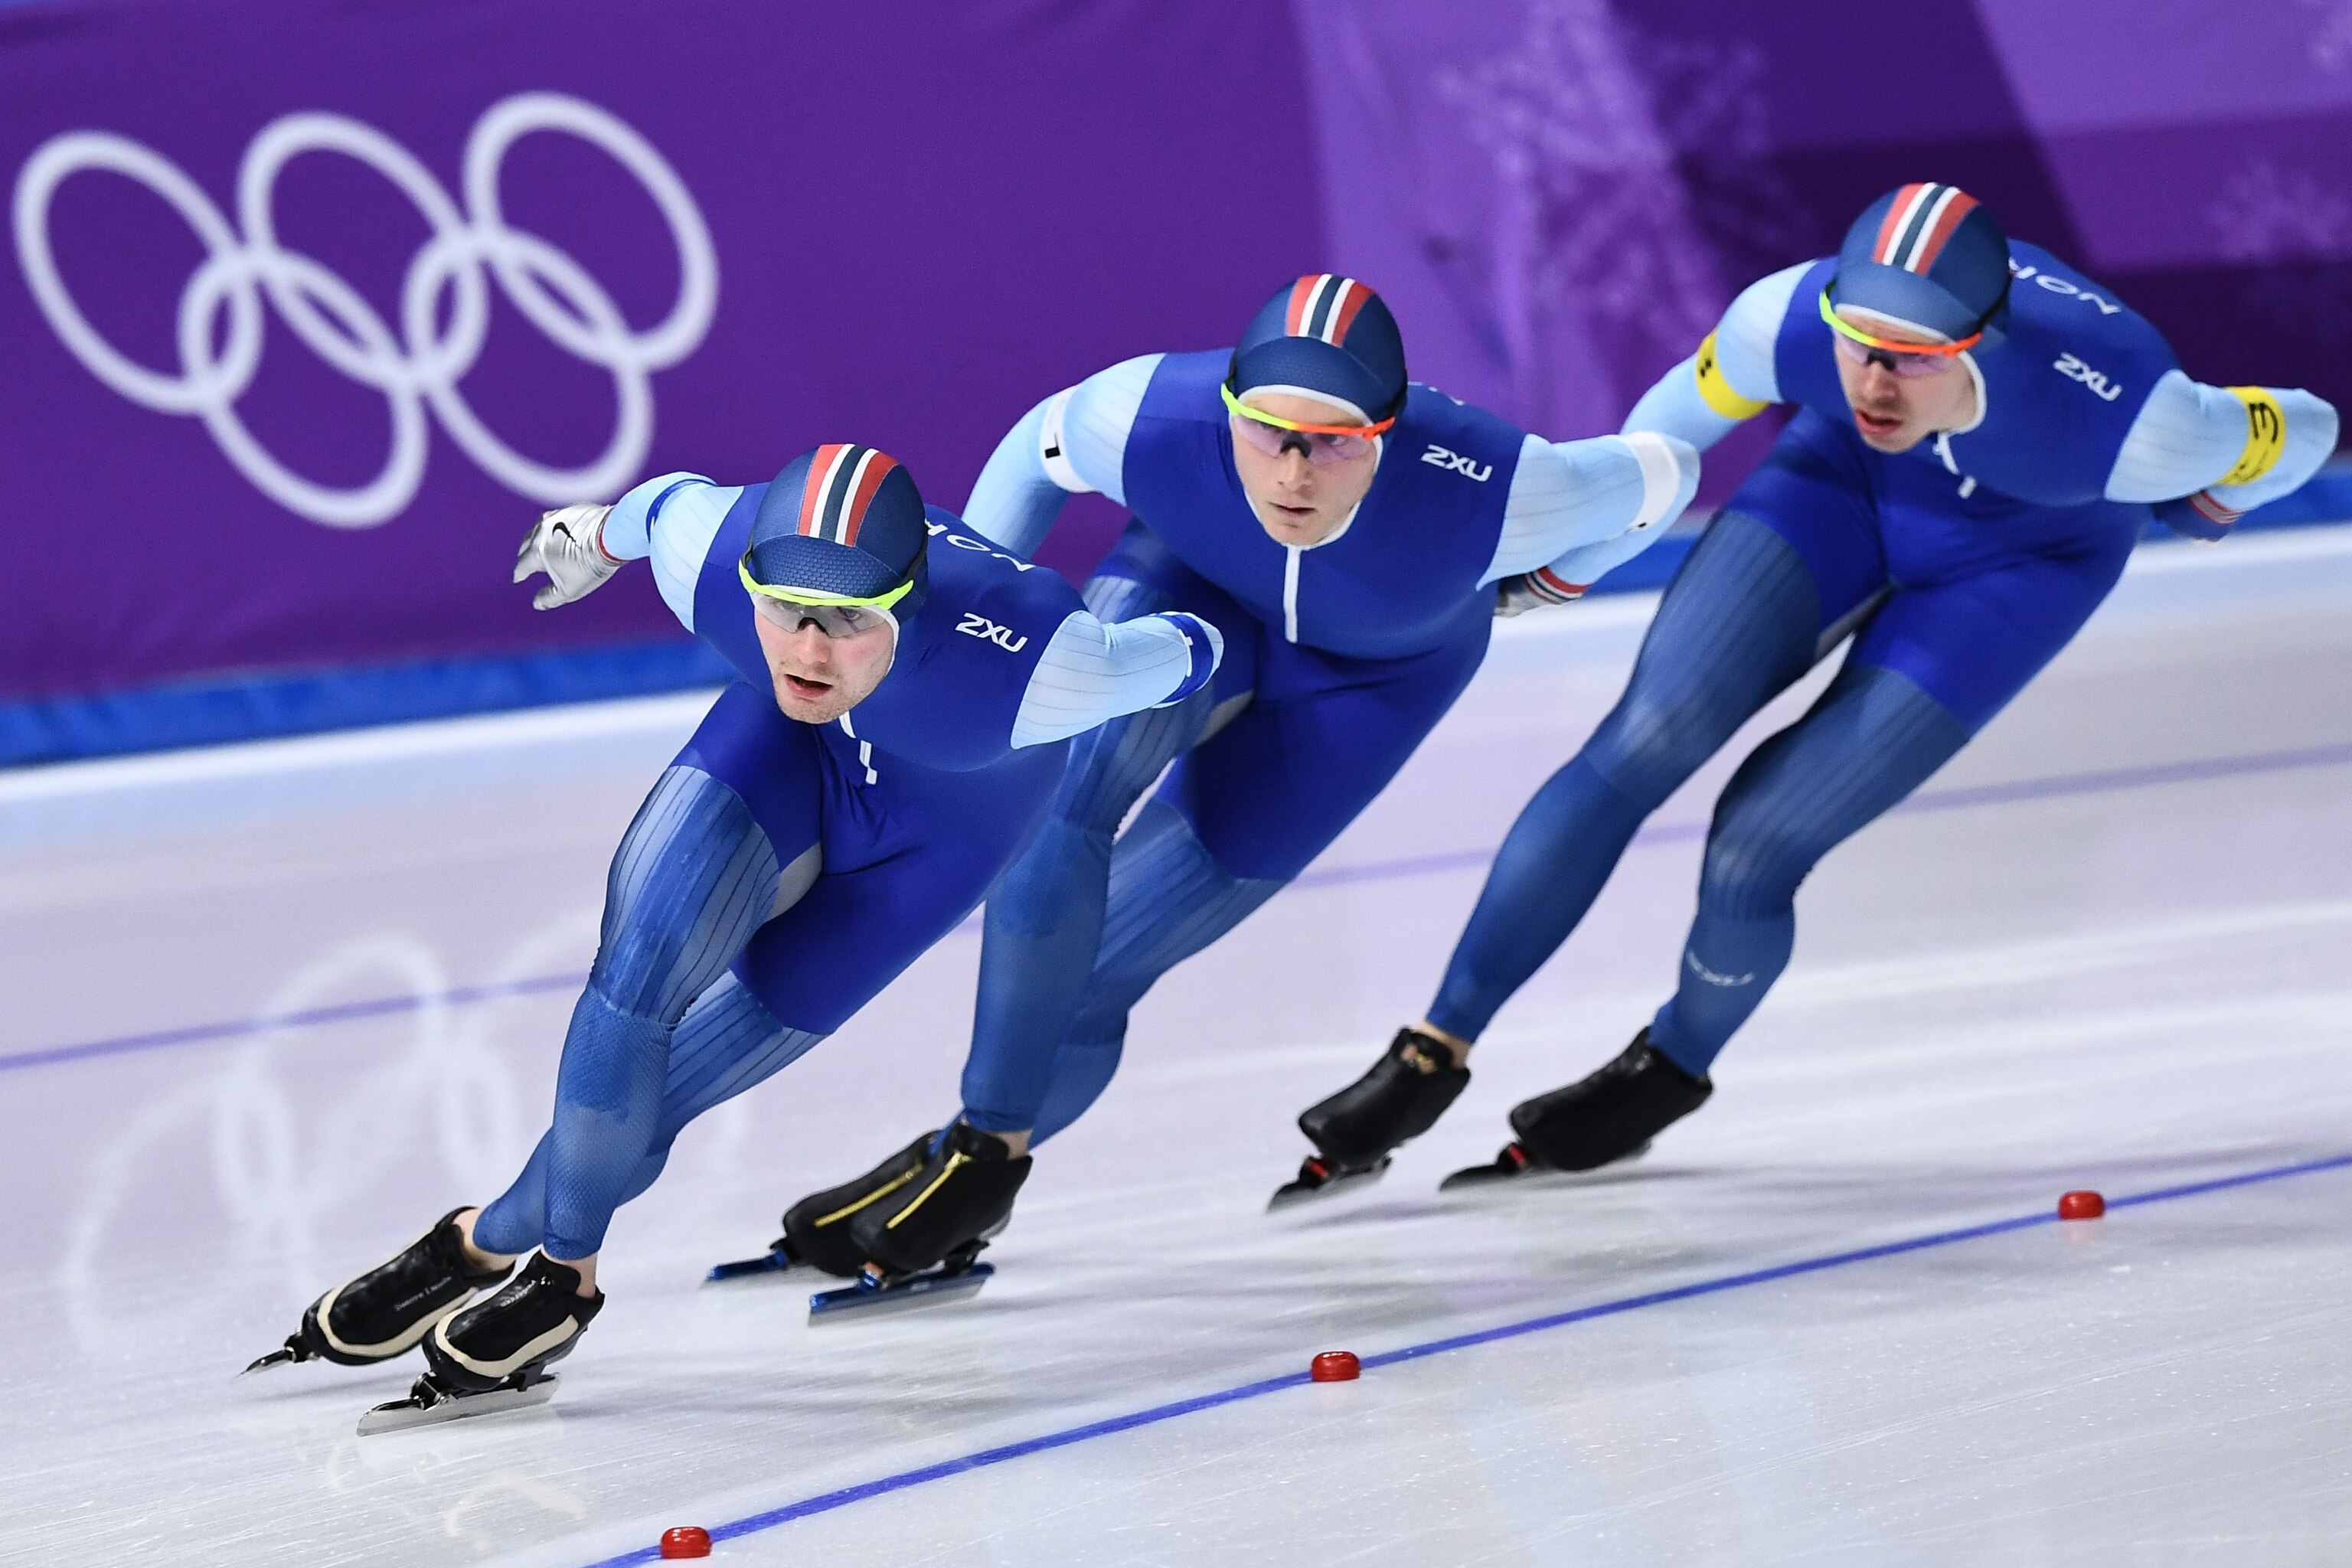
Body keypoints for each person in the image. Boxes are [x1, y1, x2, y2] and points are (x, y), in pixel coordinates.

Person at [1287, 184, 2340, 1191]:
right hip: (1840, 490)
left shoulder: (2138, 418)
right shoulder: (1781, 317)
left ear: (1982, 344)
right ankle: (1431, 1052)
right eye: (1860, 347)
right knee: (1645, 737)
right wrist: (1571, 566)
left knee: (1760, 840)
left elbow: (2311, 427)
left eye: (1915, 363)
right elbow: (1652, 455)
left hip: (2021, 565)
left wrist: (2222, 493)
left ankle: (1671, 1069)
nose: (1876, 385)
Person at [244, 442, 1222, 1423]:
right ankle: (564, 1279)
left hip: (932, 847)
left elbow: (1186, 652)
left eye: (848, 623)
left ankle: (476, 1241)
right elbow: (639, 513)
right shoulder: (708, 546)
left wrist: (1205, 635)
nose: (806, 649)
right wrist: (584, 537)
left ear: (909, 604)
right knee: (634, 975)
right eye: (785, 610)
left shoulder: (1046, 659)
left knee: (656, 1102)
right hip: (784, 755)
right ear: (747, 578)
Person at [764, 273, 1700, 1275]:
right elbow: (1034, 448)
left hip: (1368, 687)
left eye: (1335, 442)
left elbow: (1667, 468)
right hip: (1186, 597)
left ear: (1388, 432)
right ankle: (987, 1149)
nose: (1294, 472)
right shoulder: (1145, 415)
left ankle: (974, 1155)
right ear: (1228, 409)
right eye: (1266, 433)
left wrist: (1558, 577)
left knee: (1102, 971)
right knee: (1057, 809)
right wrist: (988, 610)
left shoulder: (1504, 486)